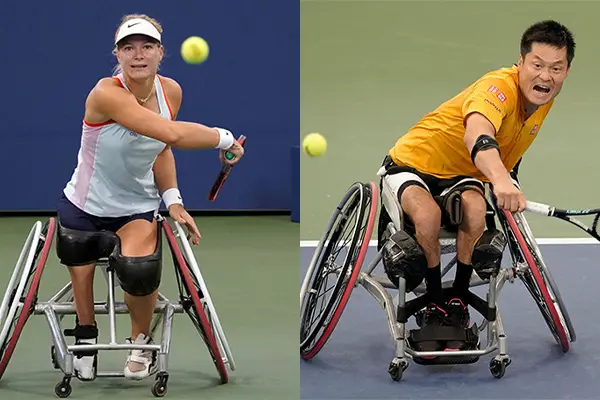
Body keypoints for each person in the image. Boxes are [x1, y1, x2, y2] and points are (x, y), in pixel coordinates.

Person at [55, 14, 245, 381]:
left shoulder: (170, 92)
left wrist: (173, 200)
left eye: (146, 47)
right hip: (84, 206)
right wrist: (225, 138)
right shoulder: (105, 93)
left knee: (140, 273)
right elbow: (171, 133)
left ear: (161, 53)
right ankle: (85, 334)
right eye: (129, 48)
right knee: (80, 262)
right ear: (118, 54)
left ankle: (140, 342)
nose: (137, 54)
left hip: (135, 209)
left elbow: (158, 149)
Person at [377, 20, 575, 352]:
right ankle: (434, 299)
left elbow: (509, 142)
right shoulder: (497, 88)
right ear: (521, 63)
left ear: (566, 71)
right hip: (413, 164)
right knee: (427, 217)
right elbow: (478, 134)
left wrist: (507, 176)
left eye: (556, 68)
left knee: (474, 210)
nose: (545, 76)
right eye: (537, 65)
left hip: (460, 173)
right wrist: (499, 181)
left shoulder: (542, 99)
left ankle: (458, 299)